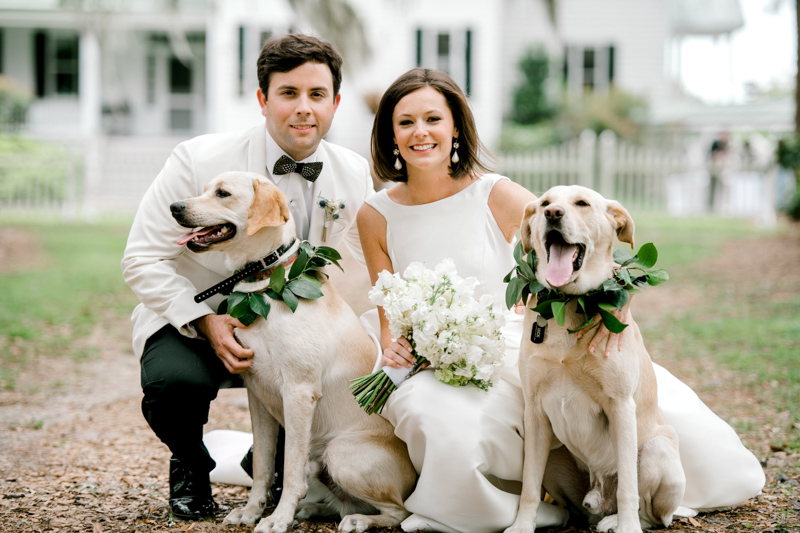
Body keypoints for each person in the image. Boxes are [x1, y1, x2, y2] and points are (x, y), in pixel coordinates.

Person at [357, 67, 765, 533]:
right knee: (438, 416)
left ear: (455, 129)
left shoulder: (495, 193)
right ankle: (507, 509)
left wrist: (619, 300)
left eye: (433, 118)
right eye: (405, 121)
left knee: (657, 416)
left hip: (518, 343)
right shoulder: (375, 214)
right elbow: (388, 307)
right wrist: (396, 347)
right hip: (426, 360)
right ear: (389, 132)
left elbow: (582, 240)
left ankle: (632, 498)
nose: (420, 132)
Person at [121, 34, 374, 520]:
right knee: (174, 382)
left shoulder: (353, 172)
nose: (304, 109)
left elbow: (352, 268)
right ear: (262, 99)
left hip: (292, 328)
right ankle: (192, 465)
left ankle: (282, 469)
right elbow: (140, 259)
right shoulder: (198, 159)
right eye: (288, 93)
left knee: (315, 379)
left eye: (317, 95)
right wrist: (204, 321)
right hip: (199, 317)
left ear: (336, 103)